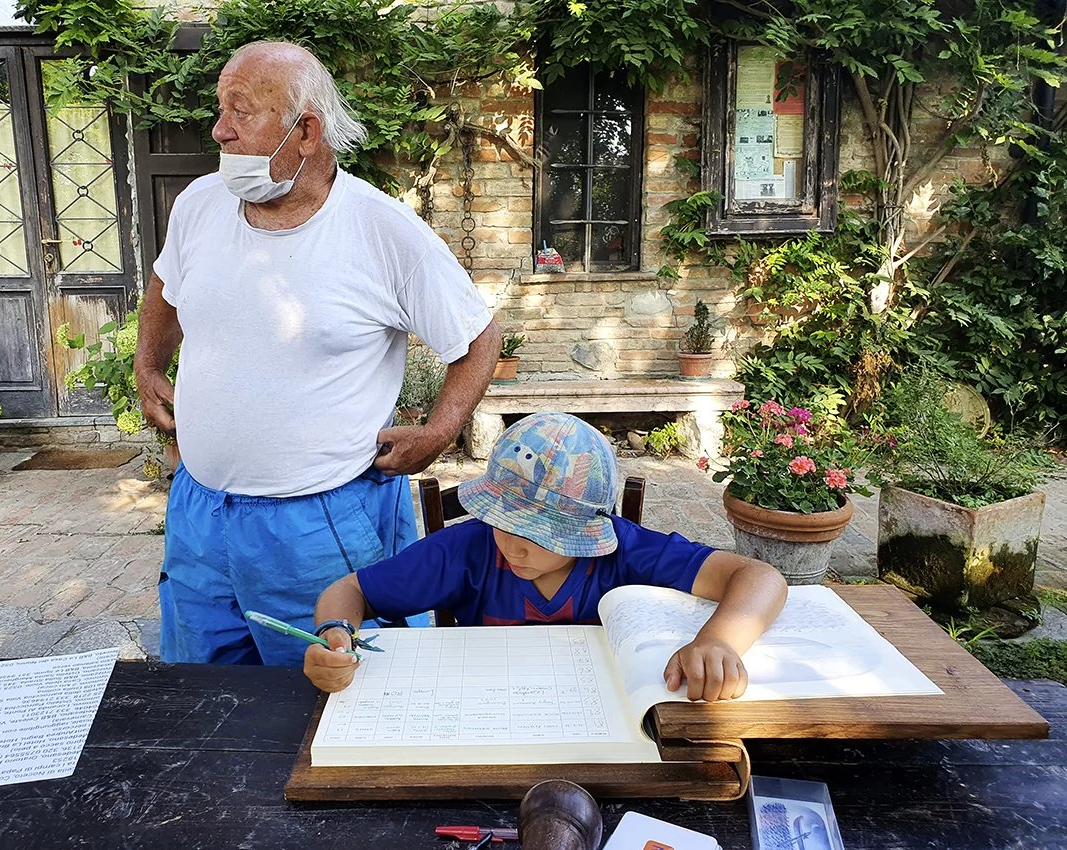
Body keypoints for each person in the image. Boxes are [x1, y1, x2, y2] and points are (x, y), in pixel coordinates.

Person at [135, 40, 500, 667]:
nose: (219, 130)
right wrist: (147, 365)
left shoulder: (382, 230)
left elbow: (477, 336)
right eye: (220, 109)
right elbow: (166, 287)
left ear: (305, 131)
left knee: (337, 697)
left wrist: (441, 430)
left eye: (240, 111)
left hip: (321, 524)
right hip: (200, 513)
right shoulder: (199, 204)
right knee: (203, 695)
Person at [304, 413, 788, 702]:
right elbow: (350, 591)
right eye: (504, 523)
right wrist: (337, 635)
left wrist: (718, 641)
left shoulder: (624, 549)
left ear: (586, 530)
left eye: (541, 535)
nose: (514, 546)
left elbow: (759, 576)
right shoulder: (468, 549)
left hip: (605, 715)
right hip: (487, 706)